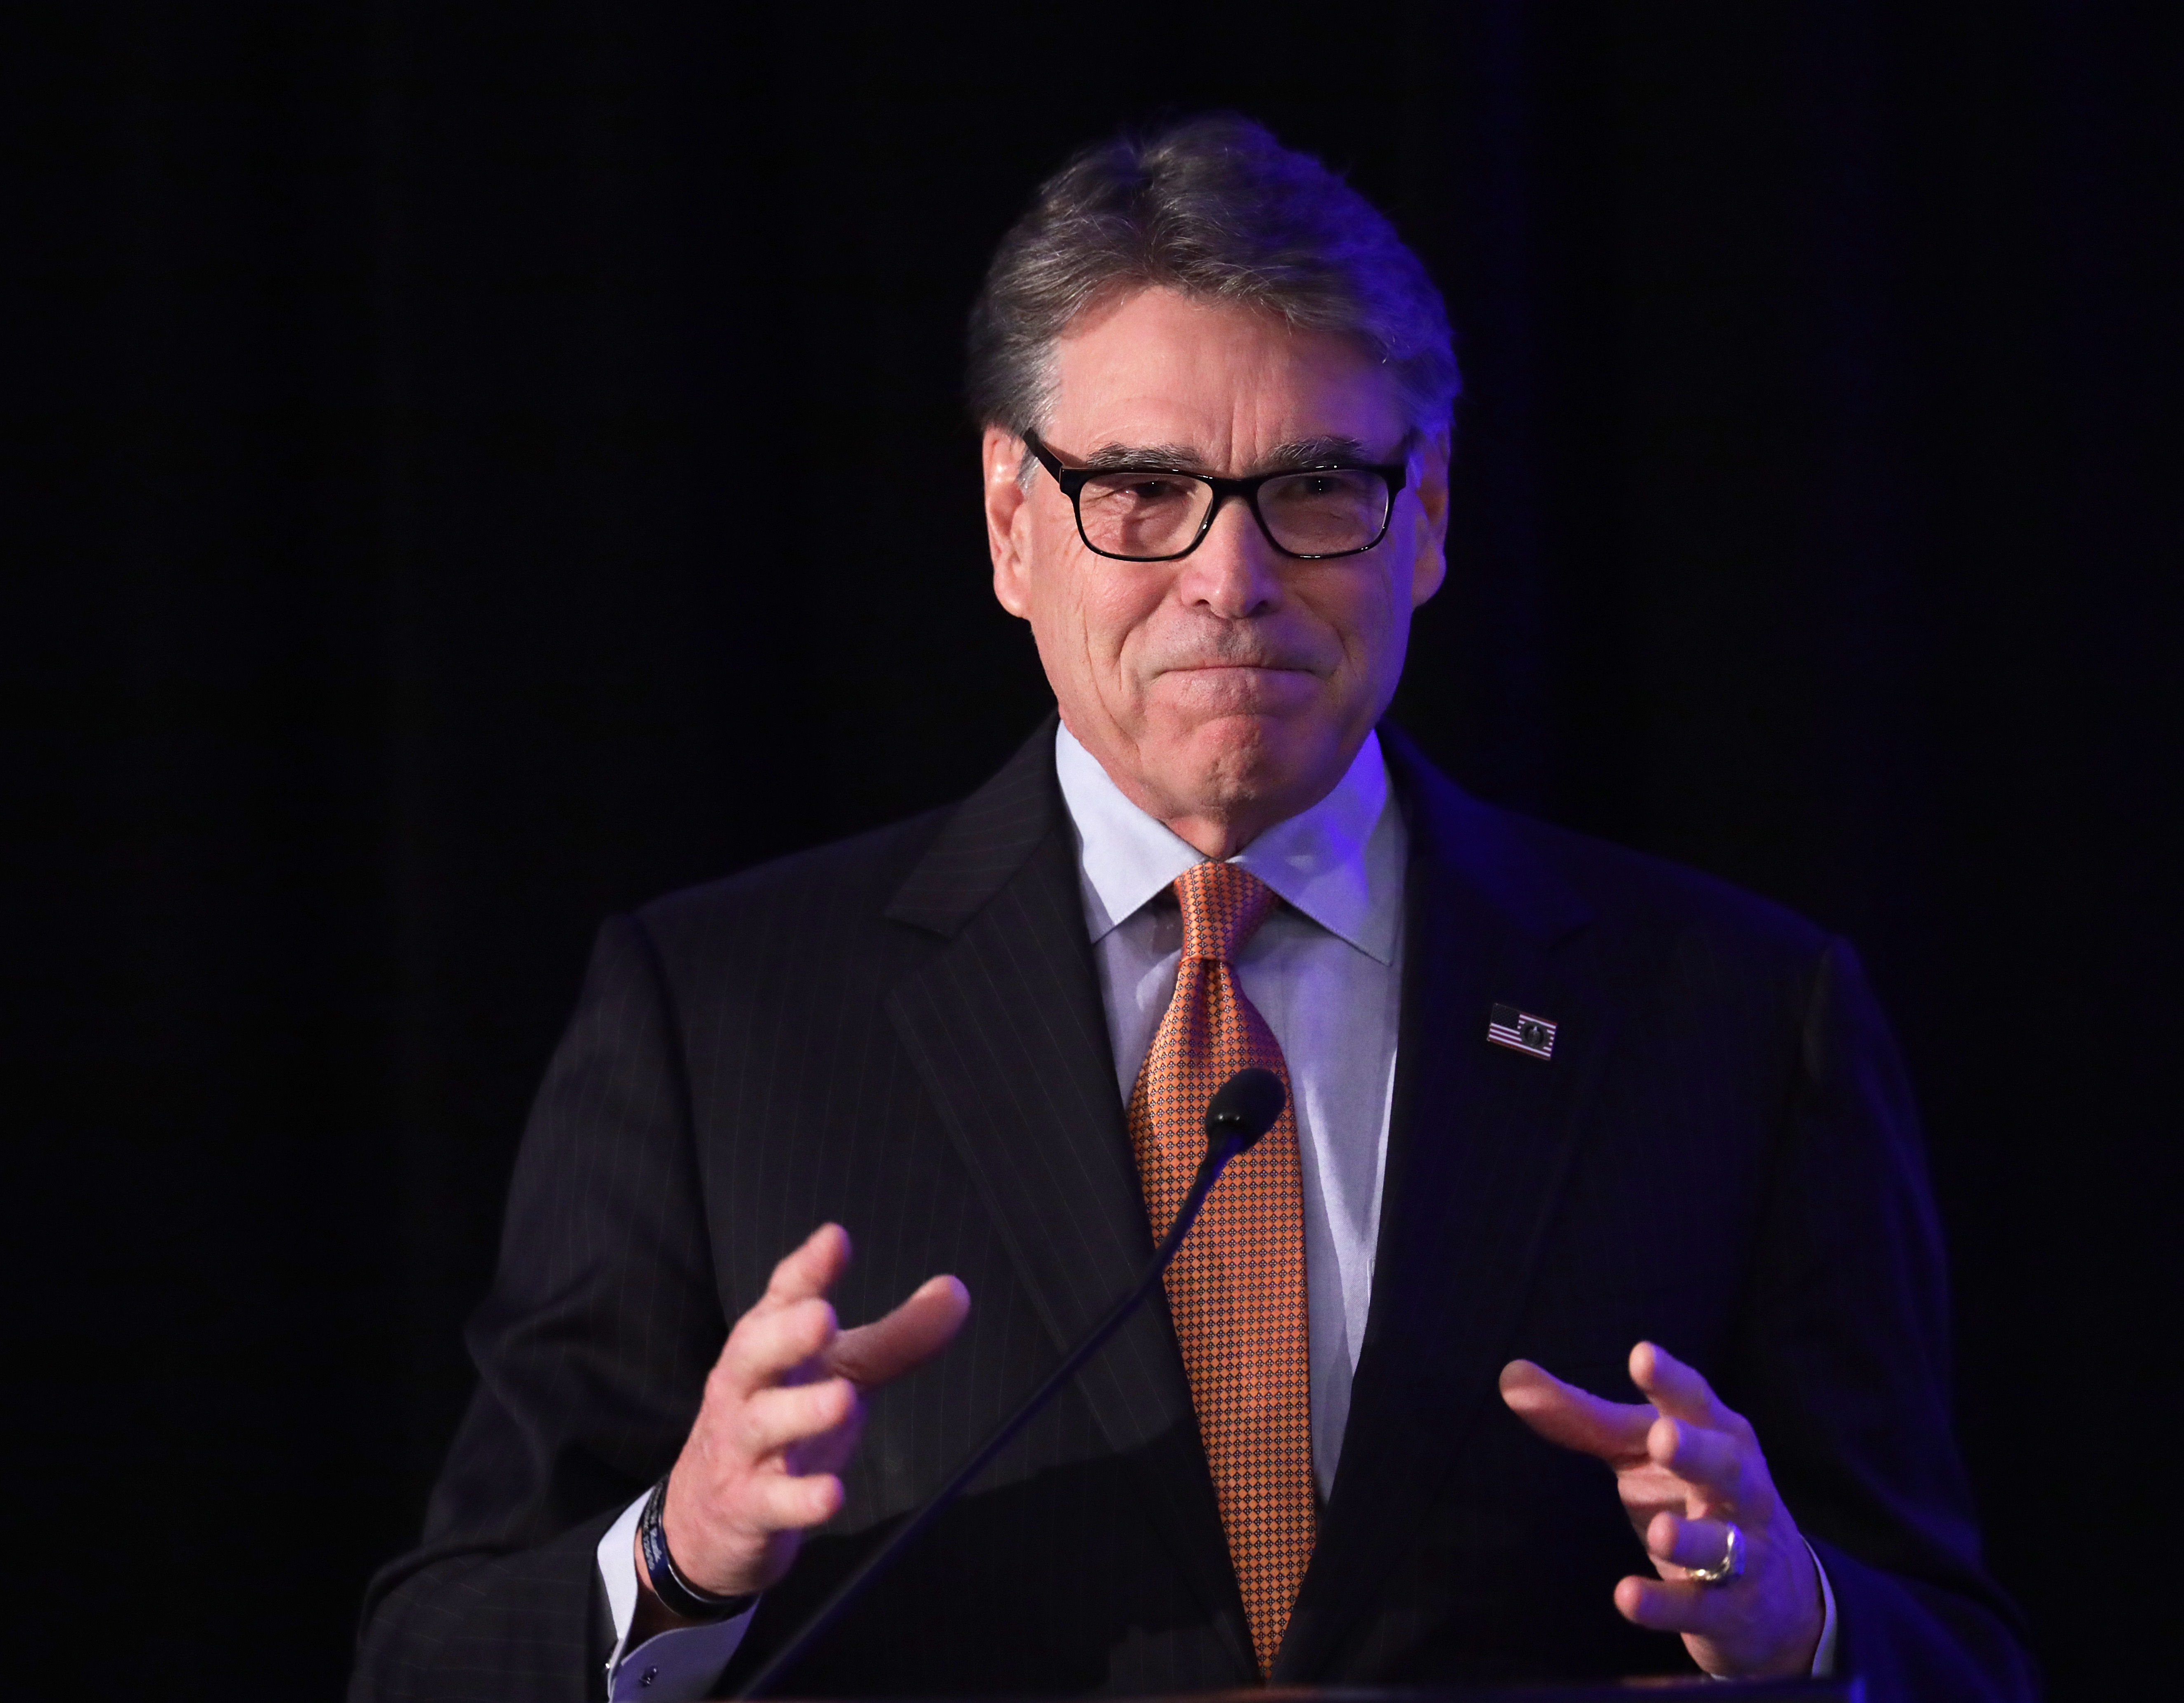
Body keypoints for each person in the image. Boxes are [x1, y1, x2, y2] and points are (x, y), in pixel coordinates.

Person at [351, 115, 2031, 1701]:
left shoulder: (1734, 1015)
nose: (1227, 577)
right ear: (1014, 524)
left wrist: (1797, 1619)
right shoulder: (715, 1013)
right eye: (1140, 492)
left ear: (1425, 516)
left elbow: (1958, 1645)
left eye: (1312, 487)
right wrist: (679, 1556)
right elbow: (433, 1654)